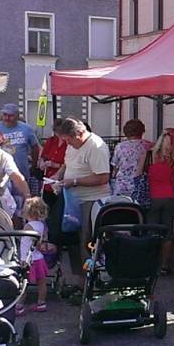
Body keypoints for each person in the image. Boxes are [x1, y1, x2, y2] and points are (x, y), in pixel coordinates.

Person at [54, 118, 111, 290]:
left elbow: (103, 177)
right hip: (72, 197)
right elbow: (67, 163)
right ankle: (80, 280)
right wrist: (59, 175)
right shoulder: (72, 145)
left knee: (86, 240)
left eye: (68, 140)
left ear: (79, 134)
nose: (67, 143)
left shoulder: (96, 146)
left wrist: (75, 181)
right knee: (71, 238)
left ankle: (91, 282)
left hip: (91, 199)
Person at [144, 130, 174, 275]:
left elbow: (140, 173)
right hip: (169, 198)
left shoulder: (149, 156)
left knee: (152, 230)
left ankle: (151, 263)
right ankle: (164, 265)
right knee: (167, 232)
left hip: (152, 197)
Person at [0, 103, 40, 214]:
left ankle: (19, 228)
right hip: (0, 174)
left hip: (20, 171)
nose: (7, 118)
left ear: (17, 116)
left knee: (20, 204)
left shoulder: (26, 129)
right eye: (5, 115)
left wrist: (34, 164)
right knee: (3, 203)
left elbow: (35, 147)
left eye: (10, 115)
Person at [16, 197, 50, 315]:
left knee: (23, 283)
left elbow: (27, 240)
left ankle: (19, 305)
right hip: (39, 258)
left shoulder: (28, 226)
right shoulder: (41, 225)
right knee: (42, 282)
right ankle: (41, 302)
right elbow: (43, 239)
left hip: (27, 258)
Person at [111, 119, 152, 197]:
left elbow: (115, 167)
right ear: (142, 131)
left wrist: (113, 177)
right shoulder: (148, 145)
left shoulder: (120, 147)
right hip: (141, 185)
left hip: (122, 185)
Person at [38, 118, 68, 209]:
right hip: (48, 182)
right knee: (47, 208)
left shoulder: (69, 143)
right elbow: (42, 157)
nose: (58, 134)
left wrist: (55, 165)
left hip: (62, 181)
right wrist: (42, 163)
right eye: (56, 132)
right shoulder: (51, 141)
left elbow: (69, 163)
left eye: (60, 132)